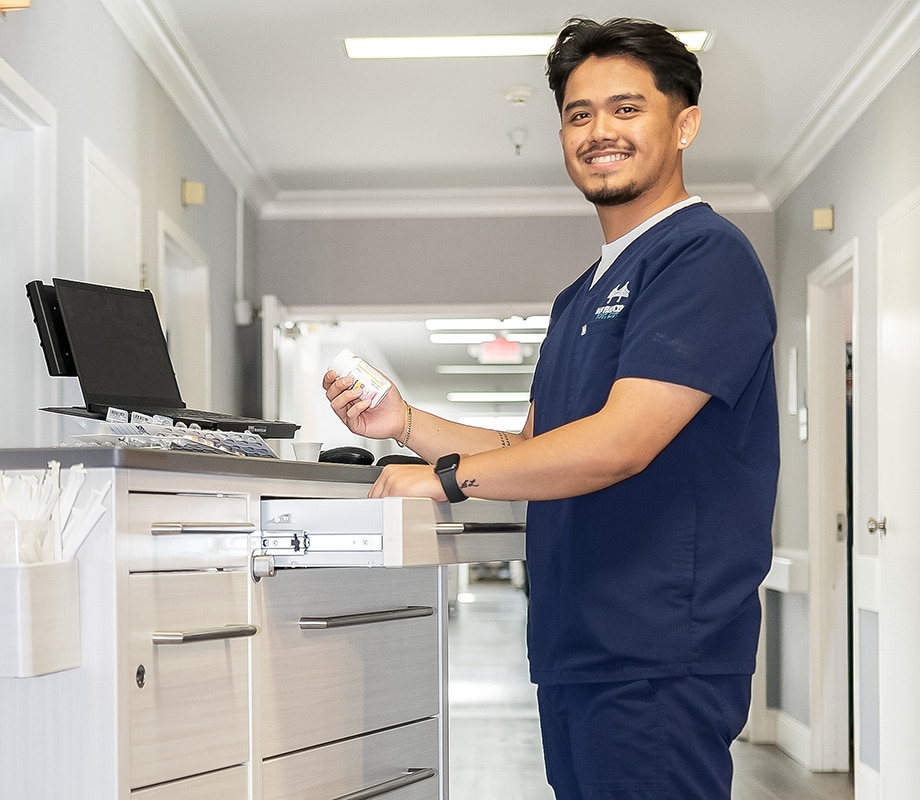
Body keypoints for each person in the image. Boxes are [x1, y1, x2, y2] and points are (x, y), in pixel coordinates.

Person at [323, 17, 778, 800]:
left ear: (685, 124)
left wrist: (442, 480)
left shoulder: (704, 257)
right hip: (579, 642)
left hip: (658, 648)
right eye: (579, 113)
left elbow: (620, 444)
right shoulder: (582, 295)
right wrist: (406, 426)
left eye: (627, 109)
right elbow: (533, 445)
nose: (600, 131)